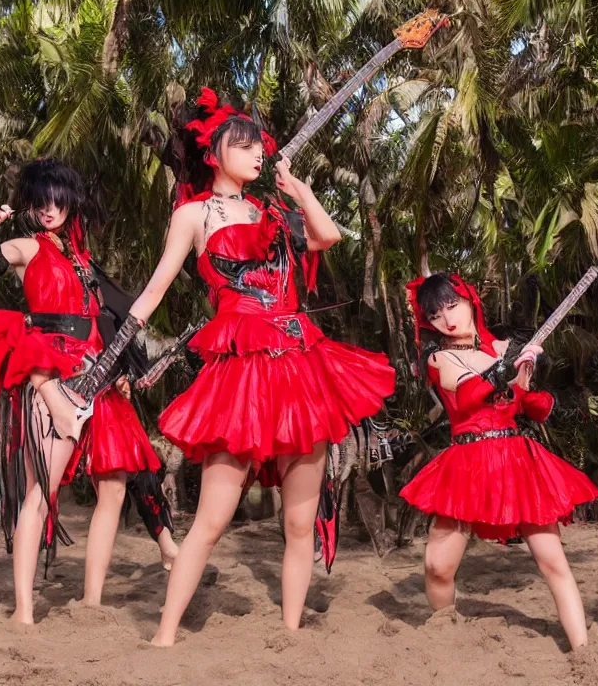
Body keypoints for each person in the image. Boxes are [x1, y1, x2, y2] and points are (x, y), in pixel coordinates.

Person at [106, 87, 395, 645]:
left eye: (261, 144)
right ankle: (165, 634)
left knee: (297, 522)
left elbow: (327, 236)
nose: (259, 152)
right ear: (214, 154)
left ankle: (288, 631)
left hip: (300, 364)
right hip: (241, 374)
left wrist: (301, 190)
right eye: (244, 145)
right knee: (212, 520)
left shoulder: (275, 210)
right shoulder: (193, 214)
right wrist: (114, 350)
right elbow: (155, 288)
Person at [0, 158, 177, 625]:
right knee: (40, 492)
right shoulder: (26, 246)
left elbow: (109, 318)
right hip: (51, 371)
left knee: (113, 486)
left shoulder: (82, 257)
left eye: (57, 199)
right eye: (40, 200)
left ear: (70, 201)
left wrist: (126, 370)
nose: (49, 208)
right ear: (31, 203)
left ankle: (92, 602)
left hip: (97, 372)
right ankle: (24, 611)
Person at [400, 273, 598, 650]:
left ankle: (583, 650)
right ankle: (446, 638)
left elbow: (532, 408)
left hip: (517, 460)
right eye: (435, 313)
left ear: (470, 301)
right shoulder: (439, 357)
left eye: (452, 305)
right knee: (437, 567)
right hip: (466, 462)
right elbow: (469, 395)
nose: (447, 318)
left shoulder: (501, 349)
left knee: (553, 562)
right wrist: (505, 369)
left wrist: (525, 376)